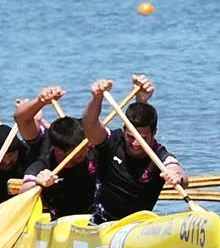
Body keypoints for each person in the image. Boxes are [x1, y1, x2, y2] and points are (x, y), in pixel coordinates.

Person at [17, 77, 154, 220]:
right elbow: (23, 193)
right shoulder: (44, 158)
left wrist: (141, 101)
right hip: (59, 221)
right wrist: (37, 183)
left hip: (96, 219)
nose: (87, 153)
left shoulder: (92, 146)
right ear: (59, 152)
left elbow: (133, 142)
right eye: (77, 156)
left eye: (86, 149)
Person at [83, 79, 185, 224]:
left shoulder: (158, 155)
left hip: (138, 227)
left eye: (142, 138)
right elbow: (90, 126)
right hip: (101, 222)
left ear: (154, 133)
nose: (136, 143)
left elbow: (176, 169)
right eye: (130, 137)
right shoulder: (113, 140)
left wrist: (177, 176)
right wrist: (97, 98)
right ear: (124, 130)